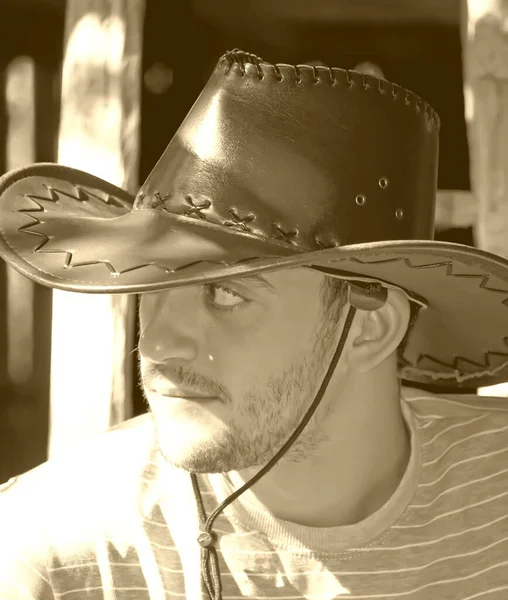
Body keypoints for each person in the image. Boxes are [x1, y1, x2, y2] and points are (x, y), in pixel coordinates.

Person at [1, 48, 508, 600]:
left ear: (369, 328)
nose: (160, 343)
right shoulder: (50, 551)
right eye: (154, 282)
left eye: (225, 293)